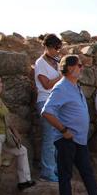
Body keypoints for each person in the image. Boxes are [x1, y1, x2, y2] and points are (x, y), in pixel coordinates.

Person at [41, 55, 97, 195]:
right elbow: (47, 111)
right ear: (70, 68)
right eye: (79, 65)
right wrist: (63, 130)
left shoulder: (74, 86)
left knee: (87, 172)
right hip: (66, 140)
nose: (82, 68)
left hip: (78, 139)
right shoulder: (61, 87)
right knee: (65, 175)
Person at [0, 76, 36, 195]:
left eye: (1, 82)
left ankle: (24, 181)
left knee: (22, 151)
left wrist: (15, 132)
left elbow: (7, 118)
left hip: (4, 136)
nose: (1, 85)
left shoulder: (0, 100)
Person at [34, 33, 63, 182]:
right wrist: (62, 76)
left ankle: (55, 168)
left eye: (59, 48)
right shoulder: (40, 63)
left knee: (57, 138)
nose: (58, 51)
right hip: (45, 102)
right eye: (55, 48)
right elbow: (46, 84)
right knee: (49, 138)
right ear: (47, 47)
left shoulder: (55, 61)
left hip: (57, 102)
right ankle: (47, 171)